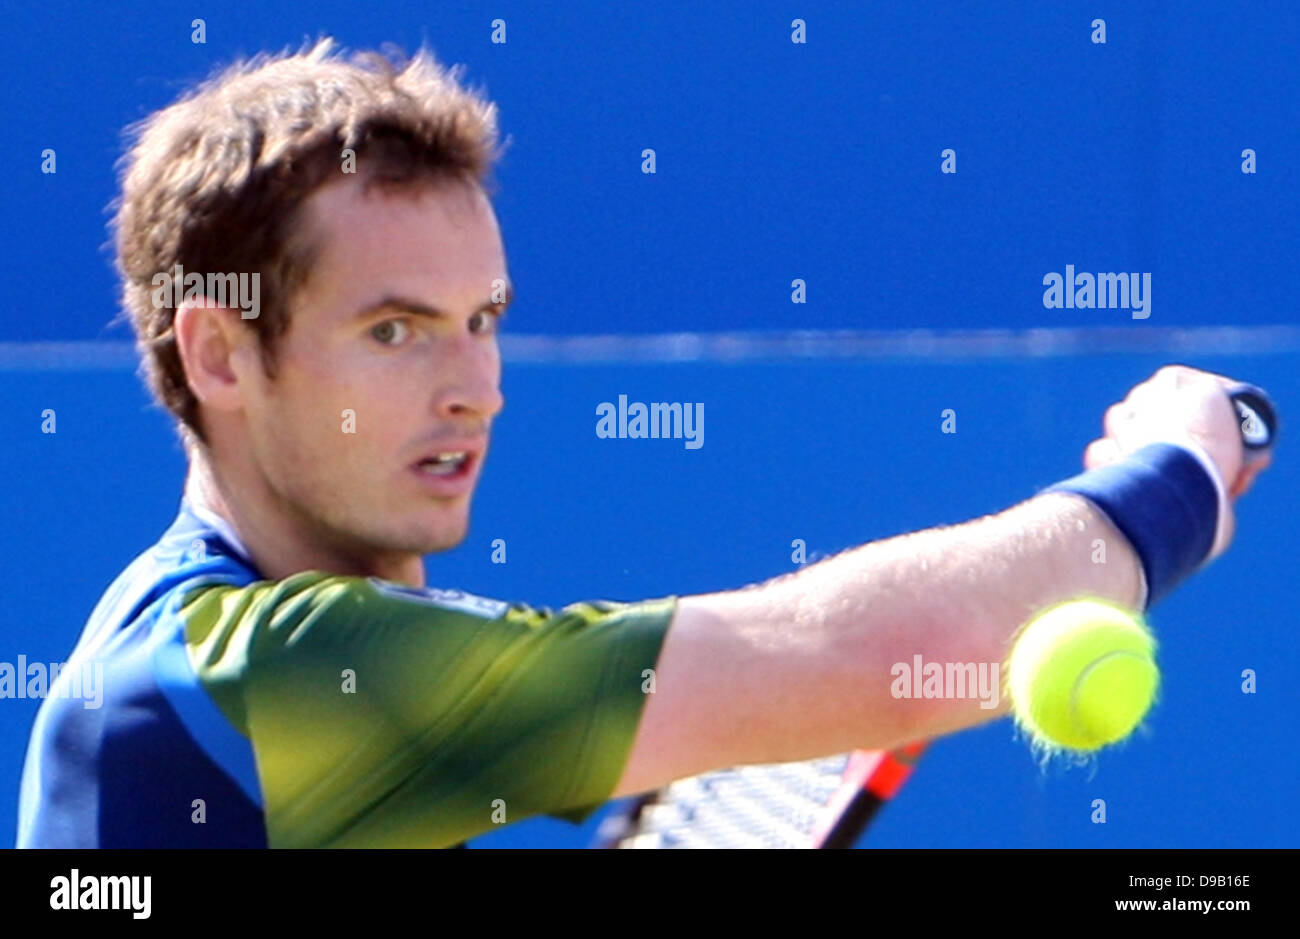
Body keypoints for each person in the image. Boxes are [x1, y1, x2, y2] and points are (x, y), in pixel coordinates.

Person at [16, 39, 1273, 847]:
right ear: (220, 354)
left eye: (482, 323)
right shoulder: (258, 672)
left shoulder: (204, 680)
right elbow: (905, 653)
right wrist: (1174, 475)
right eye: (396, 332)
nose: (475, 389)